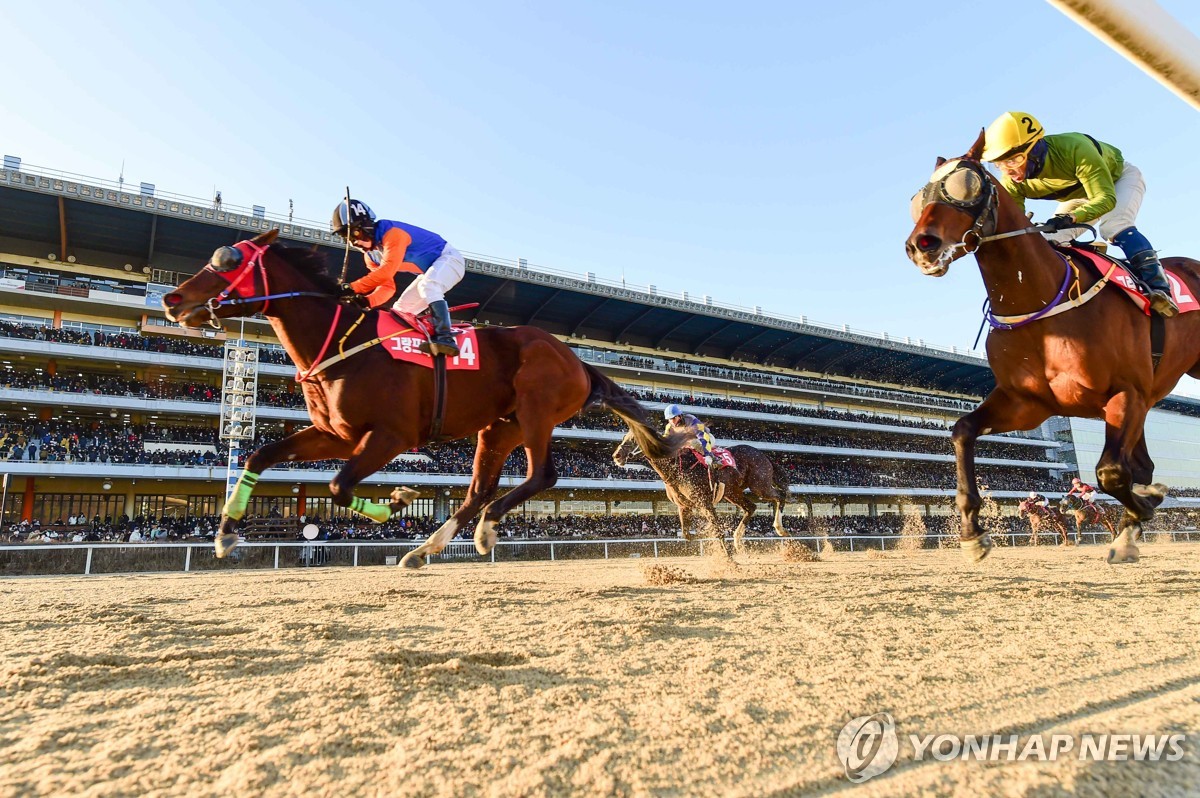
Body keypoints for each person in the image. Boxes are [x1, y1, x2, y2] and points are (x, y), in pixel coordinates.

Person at [981, 111, 1179, 317]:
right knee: (1048, 241)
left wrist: (1072, 218)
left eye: (1013, 161)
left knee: (1114, 226)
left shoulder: (1075, 148)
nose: (1008, 171)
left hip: (1116, 182)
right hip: (1079, 194)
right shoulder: (1011, 184)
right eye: (999, 164)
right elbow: (1017, 228)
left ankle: (1160, 288)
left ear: (1035, 150)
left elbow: (1105, 200)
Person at [330, 199, 465, 356]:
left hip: (450, 259)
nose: (355, 242)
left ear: (367, 225)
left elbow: (386, 271)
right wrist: (367, 301)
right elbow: (387, 287)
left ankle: (445, 337)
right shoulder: (371, 256)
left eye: (355, 233)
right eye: (348, 239)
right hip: (431, 270)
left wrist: (352, 288)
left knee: (428, 286)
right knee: (400, 311)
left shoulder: (393, 234)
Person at [663, 404, 725, 470]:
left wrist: (707, 454)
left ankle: (714, 459)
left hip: (706, 438)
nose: (672, 421)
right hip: (689, 443)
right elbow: (665, 440)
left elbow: (703, 436)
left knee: (693, 442)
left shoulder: (692, 420)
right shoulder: (669, 427)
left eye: (673, 418)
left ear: (679, 416)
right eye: (669, 419)